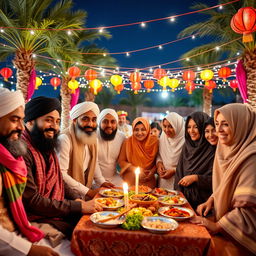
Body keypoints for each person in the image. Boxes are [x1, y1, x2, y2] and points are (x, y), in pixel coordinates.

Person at [22, 97, 102, 244]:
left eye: (57, 121)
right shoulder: (23, 151)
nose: (54, 126)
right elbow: (32, 200)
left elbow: (58, 180)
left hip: (55, 210)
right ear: (30, 121)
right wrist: (77, 205)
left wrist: (77, 199)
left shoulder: (45, 146)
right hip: (36, 218)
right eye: (48, 120)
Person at [0, 88, 60, 256]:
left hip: (20, 232)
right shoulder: (22, 152)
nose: (21, 127)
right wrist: (29, 250)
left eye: (21, 120)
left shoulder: (10, 156)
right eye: (14, 120)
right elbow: (33, 200)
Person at [193, 104, 256, 256]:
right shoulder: (227, 149)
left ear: (242, 125)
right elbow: (226, 185)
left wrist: (217, 226)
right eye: (217, 124)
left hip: (239, 238)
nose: (218, 130)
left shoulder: (251, 157)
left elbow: (249, 209)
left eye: (226, 124)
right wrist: (213, 199)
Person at [57, 101, 113, 200]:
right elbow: (61, 174)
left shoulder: (93, 138)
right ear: (74, 120)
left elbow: (93, 163)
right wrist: (88, 192)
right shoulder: (65, 139)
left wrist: (102, 181)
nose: (90, 124)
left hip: (84, 190)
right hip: (66, 195)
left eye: (94, 120)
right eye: (85, 119)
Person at [174, 112, 215, 209]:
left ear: (202, 127)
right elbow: (179, 172)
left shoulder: (212, 148)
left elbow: (218, 180)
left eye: (196, 127)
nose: (191, 131)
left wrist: (196, 178)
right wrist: (178, 196)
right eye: (188, 127)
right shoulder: (187, 146)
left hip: (204, 203)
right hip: (183, 200)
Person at [118, 117, 159, 188]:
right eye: (136, 130)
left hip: (148, 179)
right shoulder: (128, 142)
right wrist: (134, 169)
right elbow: (121, 161)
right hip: (131, 180)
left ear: (148, 129)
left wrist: (152, 171)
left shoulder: (155, 142)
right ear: (132, 130)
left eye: (143, 130)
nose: (139, 133)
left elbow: (159, 160)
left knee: (150, 198)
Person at [97, 108, 126, 186]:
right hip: (94, 180)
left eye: (113, 122)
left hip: (114, 178)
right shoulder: (93, 136)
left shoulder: (122, 137)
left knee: (125, 191)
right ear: (99, 123)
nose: (109, 125)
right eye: (105, 121)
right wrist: (101, 181)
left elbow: (123, 160)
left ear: (117, 123)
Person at [157, 112, 185, 189]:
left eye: (170, 126)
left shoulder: (186, 141)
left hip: (180, 179)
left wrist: (174, 170)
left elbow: (188, 163)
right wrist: (159, 164)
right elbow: (159, 154)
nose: (166, 130)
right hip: (163, 180)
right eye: (165, 126)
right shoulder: (163, 137)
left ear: (178, 126)